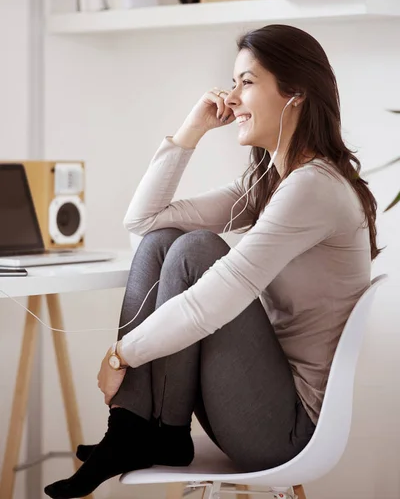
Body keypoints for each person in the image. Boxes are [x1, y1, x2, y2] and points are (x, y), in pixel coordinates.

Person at [44, 24, 379, 499]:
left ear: (295, 95)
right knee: (167, 239)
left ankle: (142, 430)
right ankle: (135, 427)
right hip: (255, 400)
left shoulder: (313, 188)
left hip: (286, 430)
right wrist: (192, 128)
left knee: (198, 250)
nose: (232, 97)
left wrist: (122, 354)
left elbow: (217, 297)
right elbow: (145, 222)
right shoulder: (270, 183)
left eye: (246, 81)